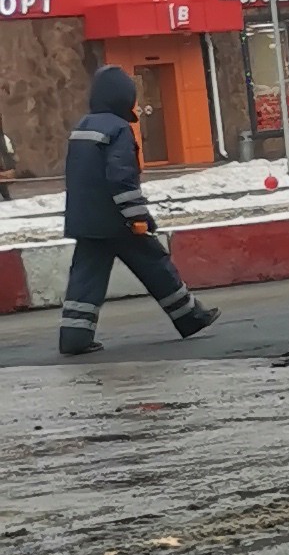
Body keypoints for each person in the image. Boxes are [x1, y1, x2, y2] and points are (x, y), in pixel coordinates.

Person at [58, 66, 220, 358]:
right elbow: (122, 179)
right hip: (116, 220)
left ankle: (74, 337)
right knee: (154, 263)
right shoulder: (118, 130)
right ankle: (190, 317)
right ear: (123, 100)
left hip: (85, 219)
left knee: (85, 277)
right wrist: (138, 217)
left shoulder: (82, 127)